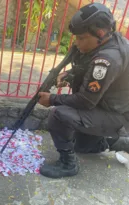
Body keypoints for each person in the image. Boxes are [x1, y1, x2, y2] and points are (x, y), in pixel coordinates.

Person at [37, 2, 129, 179]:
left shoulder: (106, 60)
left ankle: (68, 164)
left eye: (81, 38)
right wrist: (70, 74)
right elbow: (91, 71)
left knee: (59, 115)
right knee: (82, 147)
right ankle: (119, 143)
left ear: (100, 34)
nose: (77, 43)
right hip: (108, 108)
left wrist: (53, 99)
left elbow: (86, 101)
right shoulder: (111, 41)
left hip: (113, 113)